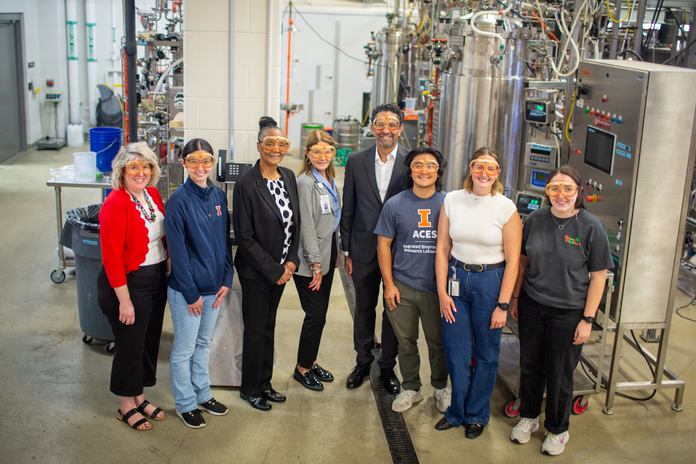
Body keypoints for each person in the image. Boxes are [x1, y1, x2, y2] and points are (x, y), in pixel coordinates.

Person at [509, 166, 612, 456]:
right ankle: (528, 417)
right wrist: (516, 298)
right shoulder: (536, 219)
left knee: (559, 372)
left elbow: (599, 277)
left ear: (579, 191)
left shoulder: (592, 227)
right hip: (532, 304)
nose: (561, 195)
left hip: (568, 313)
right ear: (547, 192)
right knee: (530, 366)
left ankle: (557, 430)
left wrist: (588, 319)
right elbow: (524, 262)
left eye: (568, 189)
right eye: (554, 188)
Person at [434, 146, 522, 438]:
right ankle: (456, 411)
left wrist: (503, 305)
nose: (483, 173)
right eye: (478, 166)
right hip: (457, 278)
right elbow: (443, 248)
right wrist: (443, 293)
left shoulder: (505, 208)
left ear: (498, 174)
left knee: (486, 353)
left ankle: (477, 413)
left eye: (491, 168)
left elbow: (513, 262)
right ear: (470, 169)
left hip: (491, 282)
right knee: (456, 351)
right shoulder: (452, 200)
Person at [97, 142, 168, 431]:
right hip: (129, 284)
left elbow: (163, 236)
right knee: (130, 344)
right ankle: (126, 404)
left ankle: (140, 395)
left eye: (147, 166)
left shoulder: (151, 194)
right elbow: (111, 259)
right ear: (122, 171)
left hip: (155, 279)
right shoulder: (115, 203)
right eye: (134, 167)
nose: (141, 172)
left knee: (149, 341)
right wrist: (124, 301)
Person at [374, 147, 451, 413]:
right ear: (410, 170)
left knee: (437, 342)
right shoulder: (395, 204)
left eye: (431, 165)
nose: (424, 171)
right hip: (402, 285)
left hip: (435, 287)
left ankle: (441, 387)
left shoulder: (448, 203)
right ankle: (411, 388)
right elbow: (383, 246)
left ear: (438, 171)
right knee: (406, 342)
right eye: (418, 165)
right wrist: (389, 284)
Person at [165, 138, 234, 429]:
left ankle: (203, 394)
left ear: (213, 163)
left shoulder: (218, 196)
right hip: (187, 293)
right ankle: (184, 404)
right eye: (193, 160)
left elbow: (225, 241)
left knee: (204, 342)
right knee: (184, 349)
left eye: (206, 160)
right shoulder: (178, 200)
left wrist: (227, 278)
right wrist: (191, 293)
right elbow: (177, 252)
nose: (200, 166)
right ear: (184, 164)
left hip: (214, 289)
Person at [340, 103, 410, 394]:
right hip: (364, 249)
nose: (386, 130)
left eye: (392, 124)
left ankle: (387, 367)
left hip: (399, 253)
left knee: (392, 311)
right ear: (373, 127)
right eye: (380, 124)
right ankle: (362, 360)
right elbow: (349, 207)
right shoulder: (357, 160)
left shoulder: (412, 162)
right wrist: (346, 251)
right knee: (364, 308)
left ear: (400, 129)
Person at [233, 116, 300, 411]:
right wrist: (274, 271)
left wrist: (291, 262)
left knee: (269, 327)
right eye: (269, 143)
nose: (276, 149)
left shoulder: (287, 176)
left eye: (281, 143)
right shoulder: (247, 184)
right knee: (256, 329)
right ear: (259, 146)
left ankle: (265, 382)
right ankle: (249, 388)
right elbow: (245, 238)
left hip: (282, 270)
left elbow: (294, 223)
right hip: (257, 273)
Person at [292, 130, 341, 391]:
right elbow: (307, 226)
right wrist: (314, 264)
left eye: (328, 151)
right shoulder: (306, 182)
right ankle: (301, 368)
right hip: (310, 261)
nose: (323, 156)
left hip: (328, 252)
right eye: (317, 151)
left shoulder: (328, 179)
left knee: (320, 316)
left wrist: (337, 250)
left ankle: (310, 362)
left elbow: (332, 220)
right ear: (307, 154)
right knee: (315, 314)